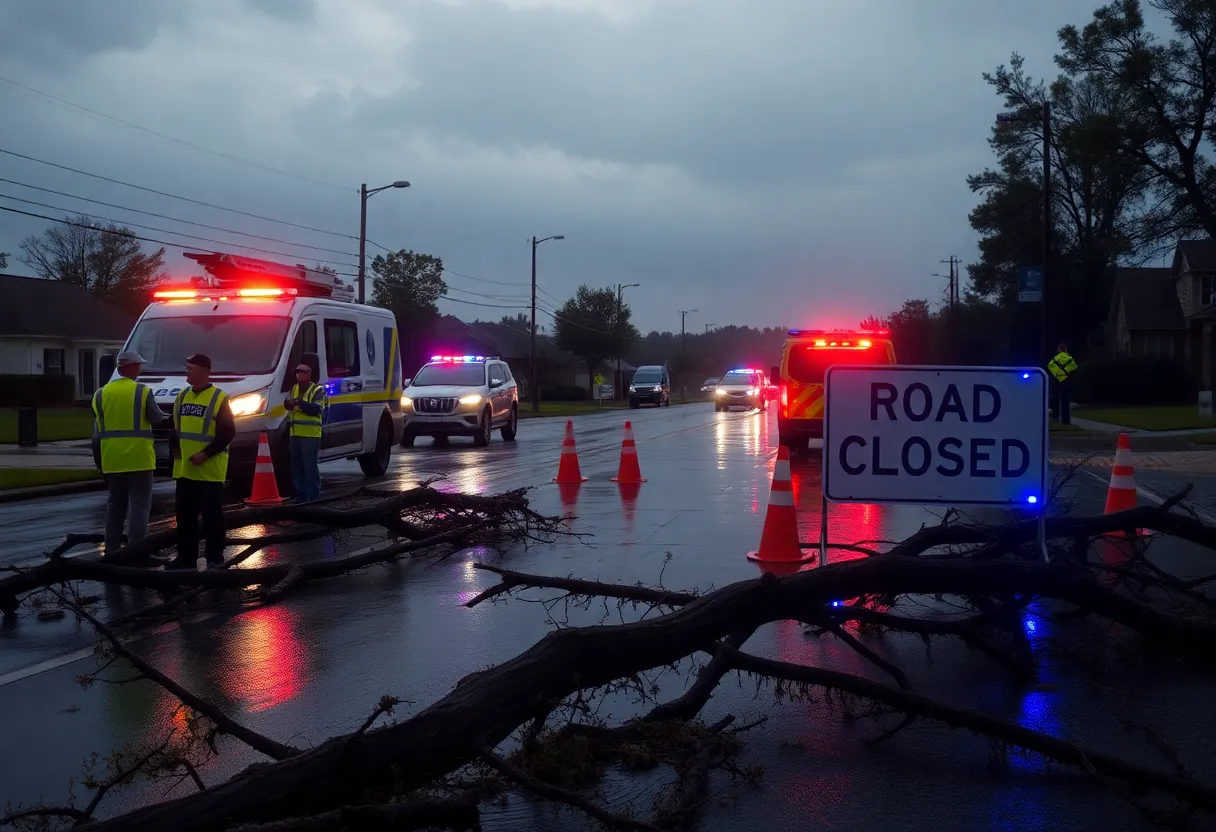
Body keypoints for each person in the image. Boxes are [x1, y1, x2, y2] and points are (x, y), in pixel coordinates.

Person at [91, 351, 164, 558]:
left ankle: (112, 550)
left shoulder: (100, 394)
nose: (140, 369)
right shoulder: (142, 391)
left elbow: (99, 426)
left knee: (115, 504)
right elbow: (156, 417)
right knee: (140, 504)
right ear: (130, 368)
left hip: (112, 458)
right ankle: (137, 551)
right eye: (138, 365)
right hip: (138, 458)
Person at [168, 354, 235, 570]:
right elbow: (176, 431)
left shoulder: (219, 398)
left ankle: (215, 557)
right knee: (185, 518)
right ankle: (186, 558)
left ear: (205, 370)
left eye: (191, 368)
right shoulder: (181, 396)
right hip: (186, 470)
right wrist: (174, 455)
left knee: (211, 518)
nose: (187, 371)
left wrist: (206, 453)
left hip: (209, 470)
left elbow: (227, 433)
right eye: (186, 367)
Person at [284, 363, 326, 502]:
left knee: (310, 466)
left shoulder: (317, 390)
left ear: (309, 374)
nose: (299, 375)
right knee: (297, 466)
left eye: (302, 372)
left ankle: (313, 496)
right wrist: (290, 404)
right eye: (297, 372)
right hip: (295, 433)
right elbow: (288, 404)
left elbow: (316, 409)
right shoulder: (294, 388)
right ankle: (301, 495)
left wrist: (300, 403)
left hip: (310, 434)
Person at [1048, 342, 1079, 425]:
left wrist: (1058, 376)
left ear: (1058, 350)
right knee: (1065, 402)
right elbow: (1074, 371)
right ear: (1065, 349)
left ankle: (1055, 418)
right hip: (1067, 383)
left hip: (1056, 383)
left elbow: (1050, 369)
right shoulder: (1069, 359)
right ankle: (1066, 420)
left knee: (1055, 401)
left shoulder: (1054, 359)